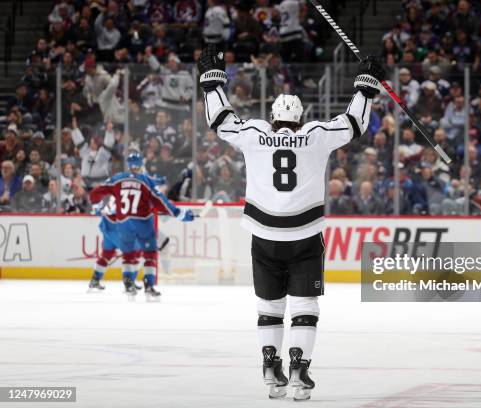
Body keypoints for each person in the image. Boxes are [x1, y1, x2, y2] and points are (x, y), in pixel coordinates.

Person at [197, 44, 384, 400]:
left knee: (269, 307)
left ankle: (271, 367)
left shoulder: (253, 134)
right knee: (304, 306)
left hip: (264, 236)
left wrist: (212, 82)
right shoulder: (314, 135)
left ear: (272, 117)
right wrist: (366, 83)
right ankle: (299, 369)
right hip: (305, 237)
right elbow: (354, 123)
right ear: (299, 118)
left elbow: (220, 121)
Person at [89, 153, 195, 299]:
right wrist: (178, 213)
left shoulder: (118, 178)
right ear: (141, 165)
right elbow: (161, 201)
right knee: (148, 253)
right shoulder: (146, 181)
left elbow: (96, 193)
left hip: (116, 224)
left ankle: (124, 282)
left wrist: (97, 206)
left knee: (120, 254)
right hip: (140, 222)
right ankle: (148, 284)